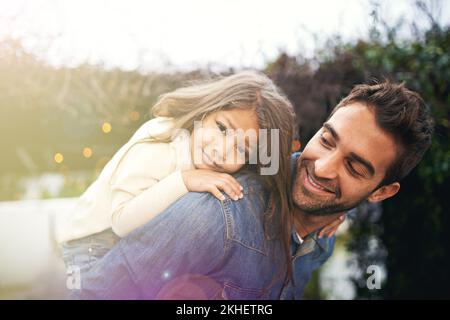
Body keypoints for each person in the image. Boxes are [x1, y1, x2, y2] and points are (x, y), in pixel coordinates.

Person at [71, 80, 433, 300]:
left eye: (354, 167)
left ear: (380, 193)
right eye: (326, 139)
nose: (322, 168)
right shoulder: (213, 214)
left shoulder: (323, 236)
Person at [57, 71, 344, 286]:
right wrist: (185, 180)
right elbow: (121, 222)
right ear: (206, 111)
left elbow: (270, 178)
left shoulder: (222, 164)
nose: (221, 151)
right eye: (221, 128)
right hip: (91, 248)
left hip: (134, 249)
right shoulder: (158, 143)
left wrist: (322, 211)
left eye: (242, 148)